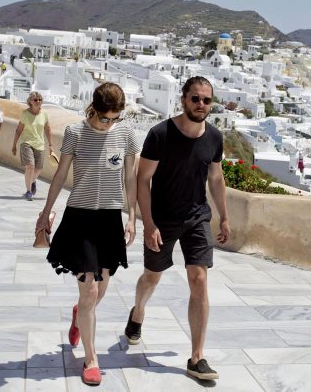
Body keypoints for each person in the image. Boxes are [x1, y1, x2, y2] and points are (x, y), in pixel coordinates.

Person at [125, 76, 230, 381]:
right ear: (183, 99)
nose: (201, 105)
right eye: (195, 99)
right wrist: (149, 223)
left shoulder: (214, 137)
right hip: (163, 218)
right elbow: (143, 180)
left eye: (206, 100)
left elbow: (216, 178)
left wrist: (223, 216)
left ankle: (197, 358)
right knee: (151, 277)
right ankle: (138, 312)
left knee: (199, 280)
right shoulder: (160, 134)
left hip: (197, 217)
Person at [36, 82, 139, 386]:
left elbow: (130, 179)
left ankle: (79, 314)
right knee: (90, 291)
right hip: (79, 219)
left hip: (110, 220)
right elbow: (59, 175)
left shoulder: (126, 134)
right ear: (94, 109)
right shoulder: (75, 133)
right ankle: (91, 359)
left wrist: (132, 218)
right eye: (105, 118)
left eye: (115, 119)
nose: (110, 124)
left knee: (99, 290)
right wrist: (45, 213)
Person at [12, 92, 53, 200]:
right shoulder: (25, 114)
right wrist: (14, 145)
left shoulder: (44, 114)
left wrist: (51, 145)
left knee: (38, 169)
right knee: (30, 167)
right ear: (30, 101)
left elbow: (48, 129)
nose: (38, 101)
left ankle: (33, 180)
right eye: (35, 100)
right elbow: (19, 130)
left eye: (40, 99)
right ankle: (29, 191)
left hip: (40, 144)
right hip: (26, 143)